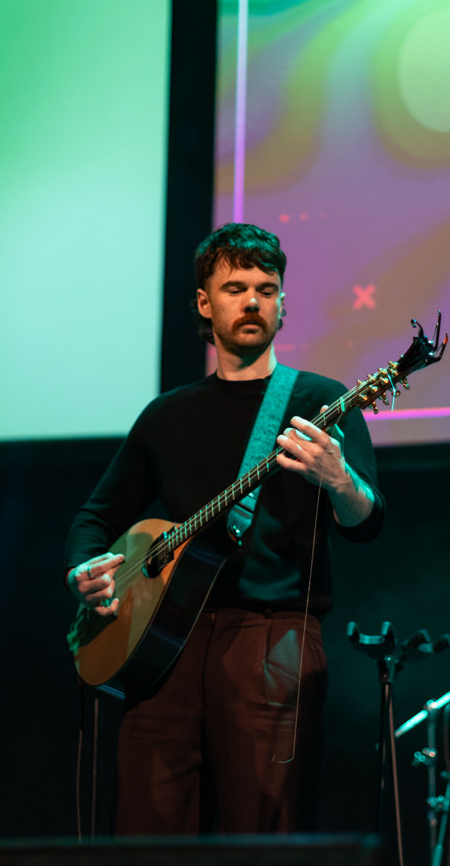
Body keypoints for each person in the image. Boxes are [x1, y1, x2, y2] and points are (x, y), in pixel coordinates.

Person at [64, 222, 384, 835]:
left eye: (268, 288)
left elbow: (367, 523)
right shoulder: (167, 413)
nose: (253, 300)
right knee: (147, 832)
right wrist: (84, 568)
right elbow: (96, 516)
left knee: (264, 834)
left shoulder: (321, 400)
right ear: (205, 304)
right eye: (235, 287)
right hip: (161, 645)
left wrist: (340, 480)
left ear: (283, 305)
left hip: (271, 640)